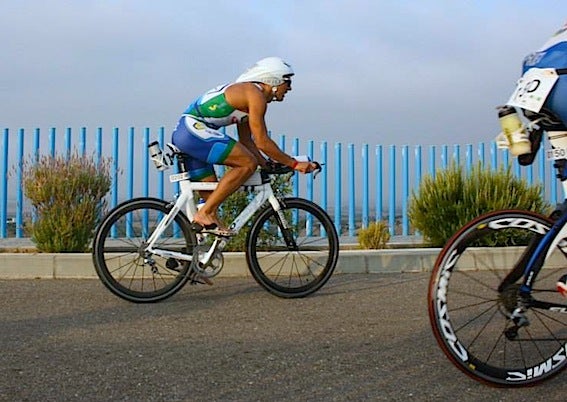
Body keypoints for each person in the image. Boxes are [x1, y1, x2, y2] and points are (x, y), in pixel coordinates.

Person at [171, 57, 318, 236]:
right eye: (287, 82)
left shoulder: (248, 95)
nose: (289, 88)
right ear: (273, 80)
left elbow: (247, 141)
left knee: (212, 203)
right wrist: (294, 163)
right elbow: (262, 141)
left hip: (190, 133)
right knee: (247, 164)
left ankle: (195, 255)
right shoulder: (255, 96)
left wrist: (266, 163)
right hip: (193, 132)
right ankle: (204, 213)